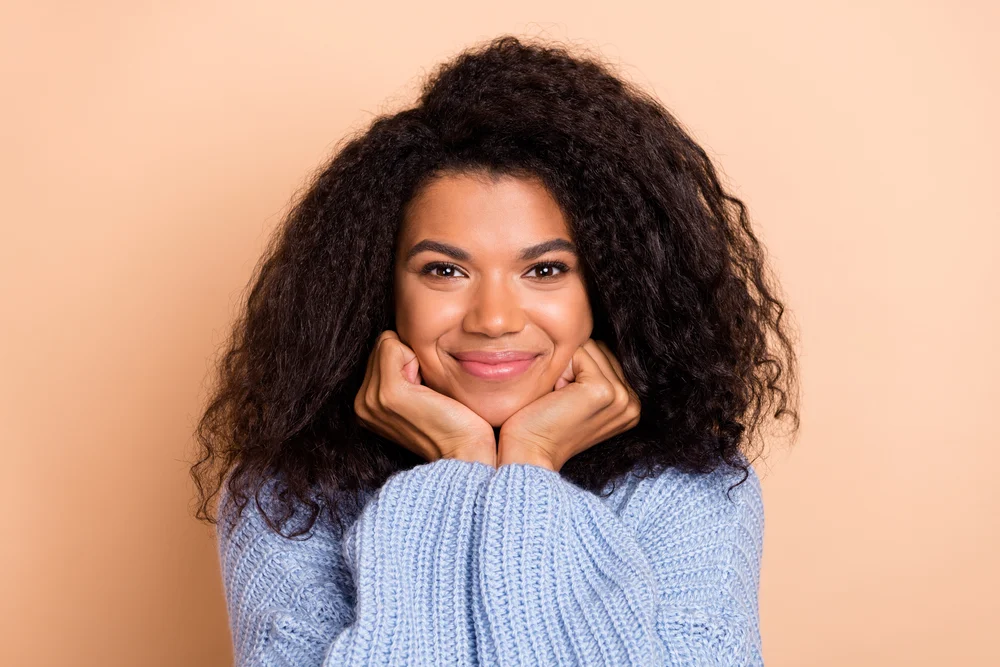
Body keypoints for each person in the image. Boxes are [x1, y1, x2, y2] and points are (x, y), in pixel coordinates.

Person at [191, 34, 800, 666]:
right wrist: (460, 467)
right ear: (380, 289)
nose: (495, 319)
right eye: (444, 272)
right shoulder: (287, 500)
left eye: (544, 271)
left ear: (608, 290)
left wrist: (526, 470)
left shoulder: (691, 493)